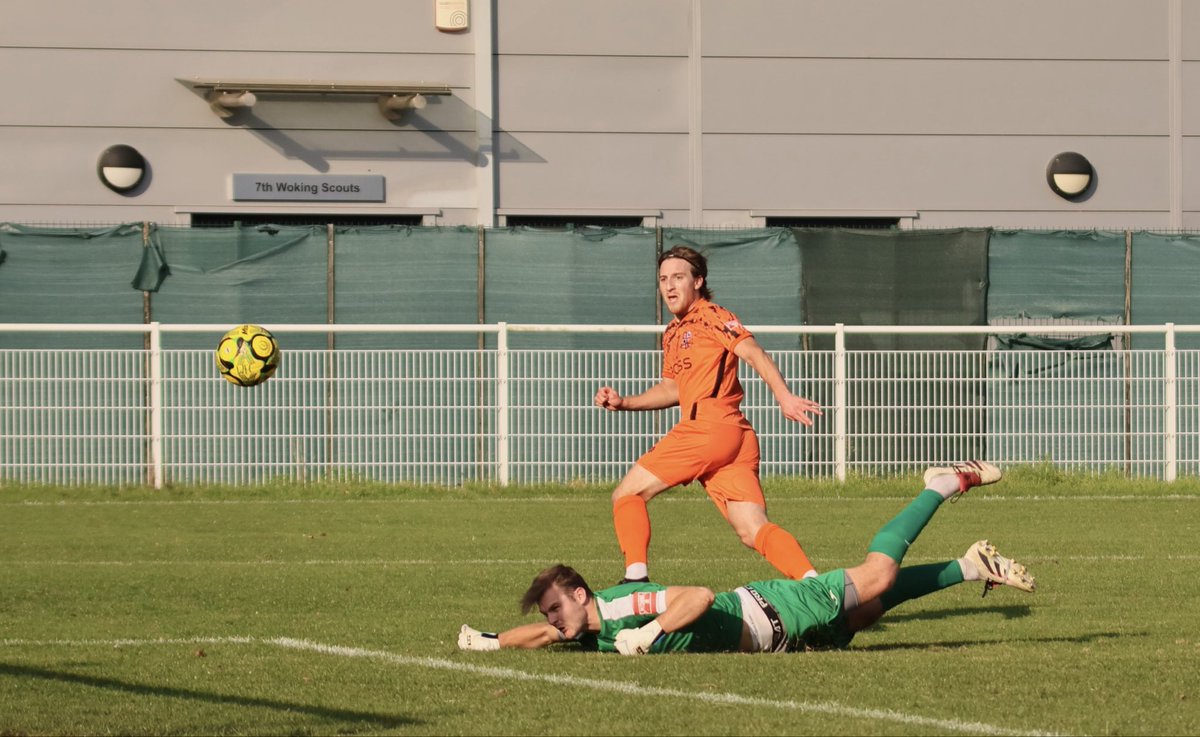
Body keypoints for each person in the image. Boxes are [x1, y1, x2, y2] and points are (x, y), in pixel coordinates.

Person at [458, 461, 1035, 654]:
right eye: (551, 615)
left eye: (557, 610)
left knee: (878, 575)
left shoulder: (619, 606)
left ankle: (939, 484)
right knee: (868, 611)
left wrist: (648, 632)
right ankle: (968, 566)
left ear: (581, 596)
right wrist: (488, 641)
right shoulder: (582, 628)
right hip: (778, 637)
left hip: (772, 608)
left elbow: (700, 598)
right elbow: (534, 638)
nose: (554, 623)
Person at [593, 245, 823, 584]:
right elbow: (673, 389)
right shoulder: (673, 333)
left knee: (627, 494)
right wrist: (625, 402)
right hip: (734, 438)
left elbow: (753, 351)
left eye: (678, 278)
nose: (669, 286)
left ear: (698, 281)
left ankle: (634, 582)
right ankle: (817, 587)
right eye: (662, 279)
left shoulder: (712, 316)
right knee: (751, 528)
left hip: (709, 428)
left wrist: (784, 396)